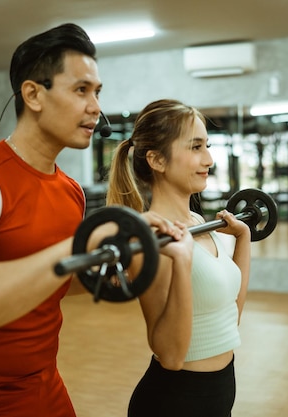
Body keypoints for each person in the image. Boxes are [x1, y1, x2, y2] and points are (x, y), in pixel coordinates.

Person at [0, 24, 186, 417]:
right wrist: (86, 244)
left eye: (97, 92)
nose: (95, 107)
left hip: (43, 383)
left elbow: (56, 278)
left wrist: (114, 264)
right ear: (33, 94)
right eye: (81, 90)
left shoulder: (70, 191)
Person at [106, 99, 251, 417]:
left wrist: (243, 239)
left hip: (220, 390)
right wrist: (182, 263)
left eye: (207, 146)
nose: (209, 159)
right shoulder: (150, 240)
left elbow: (230, 319)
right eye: (196, 147)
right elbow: (170, 355)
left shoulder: (200, 223)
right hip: (176, 401)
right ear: (157, 160)